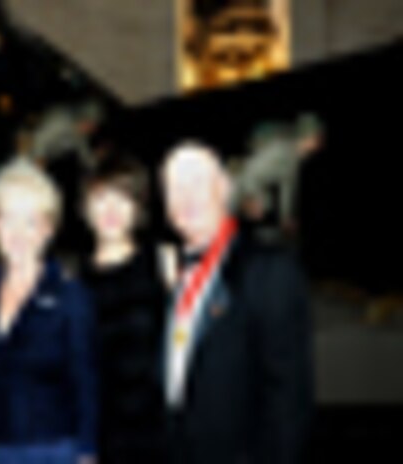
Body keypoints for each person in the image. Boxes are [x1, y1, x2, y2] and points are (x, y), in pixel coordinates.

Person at [159, 141, 313, 464]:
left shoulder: (269, 269)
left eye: (197, 182)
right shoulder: (174, 274)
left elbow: (289, 400)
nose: (186, 197)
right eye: (174, 187)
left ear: (225, 189)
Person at [0, 159, 96, 464]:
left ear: (48, 229)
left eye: (31, 221)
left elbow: (87, 384)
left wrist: (87, 453)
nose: (18, 232)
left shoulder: (69, 296)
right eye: (8, 219)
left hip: (53, 450)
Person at [79, 155, 172, 464]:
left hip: (160, 437)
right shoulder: (74, 283)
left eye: (124, 197)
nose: (111, 209)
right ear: (86, 206)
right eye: (101, 197)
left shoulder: (164, 263)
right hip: (104, 440)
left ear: (138, 208)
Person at [235, 113, 324, 245]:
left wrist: (286, 218)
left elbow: (287, 188)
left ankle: (265, 238)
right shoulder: (281, 149)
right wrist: (250, 197)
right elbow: (250, 171)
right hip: (241, 186)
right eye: (317, 138)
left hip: (256, 189)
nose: (320, 142)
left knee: (271, 209)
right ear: (308, 138)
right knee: (265, 204)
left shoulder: (297, 158)